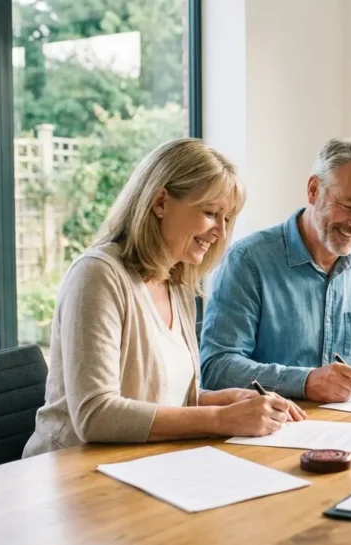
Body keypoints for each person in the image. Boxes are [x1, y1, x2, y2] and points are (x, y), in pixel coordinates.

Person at [23, 139, 304, 458]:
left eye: (227, 219)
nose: (221, 234)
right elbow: (96, 415)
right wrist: (222, 418)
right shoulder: (97, 275)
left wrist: (230, 400)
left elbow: (164, 399)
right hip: (73, 474)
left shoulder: (177, 279)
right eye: (211, 213)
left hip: (144, 464)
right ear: (160, 202)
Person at [200, 137, 351, 403]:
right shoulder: (248, 261)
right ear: (313, 190)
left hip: (344, 429)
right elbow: (216, 367)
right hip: (264, 432)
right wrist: (305, 382)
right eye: (349, 207)